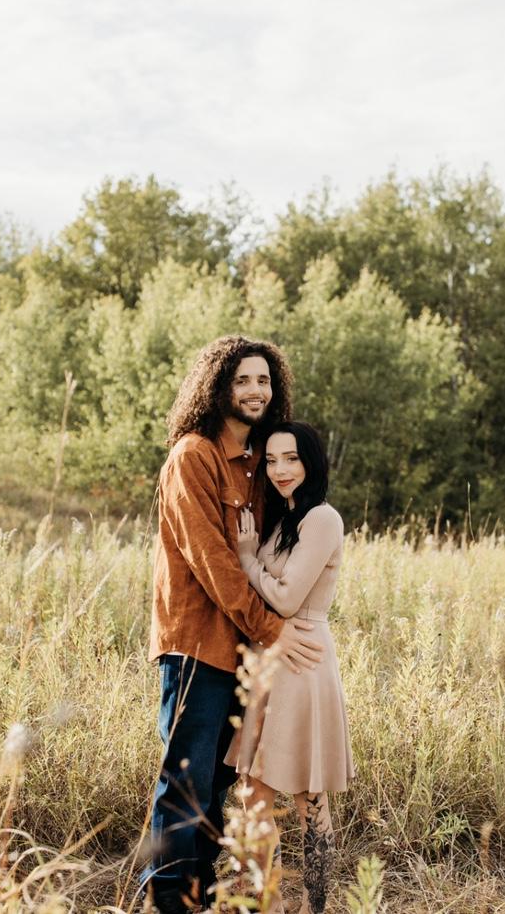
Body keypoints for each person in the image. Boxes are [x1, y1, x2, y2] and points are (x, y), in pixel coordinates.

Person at [142, 337, 325, 914]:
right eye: (242, 380)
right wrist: (272, 628)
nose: (254, 391)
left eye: (263, 380)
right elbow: (214, 563)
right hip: (198, 644)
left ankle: (197, 893)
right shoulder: (192, 457)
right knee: (187, 778)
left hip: (246, 652)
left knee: (220, 784)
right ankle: (167, 900)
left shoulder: (261, 463)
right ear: (217, 387)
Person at [226, 421, 354, 914]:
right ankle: (270, 902)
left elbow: (285, 597)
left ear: (311, 462)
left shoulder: (322, 519)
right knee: (253, 789)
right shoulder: (284, 520)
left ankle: (314, 906)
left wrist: (246, 558)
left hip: (303, 660)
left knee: (308, 795)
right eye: (273, 460)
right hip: (268, 661)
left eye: (292, 458)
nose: (280, 470)